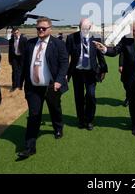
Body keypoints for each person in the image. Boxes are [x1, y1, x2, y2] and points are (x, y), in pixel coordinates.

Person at [17, 17, 69, 159]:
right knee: (34, 115)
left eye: (43, 28)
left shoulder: (58, 44)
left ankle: (58, 127)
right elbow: (23, 64)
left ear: (50, 29)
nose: (40, 30)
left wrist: (59, 81)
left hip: (52, 86)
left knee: (55, 109)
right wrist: (19, 82)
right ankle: (29, 147)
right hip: (33, 88)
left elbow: (64, 63)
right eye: (38, 28)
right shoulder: (29, 44)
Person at [94, 21, 135, 136]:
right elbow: (115, 51)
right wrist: (104, 49)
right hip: (131, 78)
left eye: (134, 30)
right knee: (133, 102)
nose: (132, 33)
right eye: (131, 30)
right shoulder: (126, 40)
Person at [66, 19, 108, 130]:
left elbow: (100, 55)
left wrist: (104, 69)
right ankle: (81, 119)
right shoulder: (71, 38)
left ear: (90, 27)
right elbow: (66, 57)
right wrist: (65, 73)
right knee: (78, 97)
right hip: (77, 72)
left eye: (86, 28)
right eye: (82, 28)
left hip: (91, 72)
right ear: (79, 27)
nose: (84, 30)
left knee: (91, 96)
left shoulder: (96, 38)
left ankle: (89, 120)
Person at [8, 27, 28, 92]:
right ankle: (14, 86)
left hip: (22, 58)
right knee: (14, 71)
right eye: (14, 33)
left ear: (19, 32)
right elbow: (10, 51)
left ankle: (20, 85)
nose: (16, 34)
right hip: (14, 57)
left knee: (21, 71)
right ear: (12, 33)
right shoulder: (11, 40)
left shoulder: (24, 39)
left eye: (17, 33)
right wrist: (10, 59)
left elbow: (27, 50)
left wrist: (27, 59)